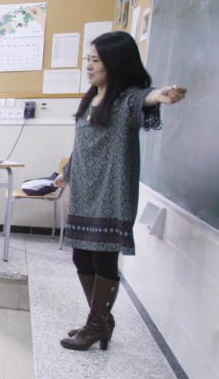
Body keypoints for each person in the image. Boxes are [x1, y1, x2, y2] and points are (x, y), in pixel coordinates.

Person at [56, 31, 186, 351]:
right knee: (80, 257)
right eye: (88, 59)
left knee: (103, 260)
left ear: (115, 63)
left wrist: (159, 96)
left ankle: (96, 324)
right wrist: (67, 173)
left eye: (95, 61)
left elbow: (144, 98)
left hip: (112, 193)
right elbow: (81, 145)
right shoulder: (92, 98)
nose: (89, 66)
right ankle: (100, 321)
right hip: (86, 192)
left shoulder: (125, 98)